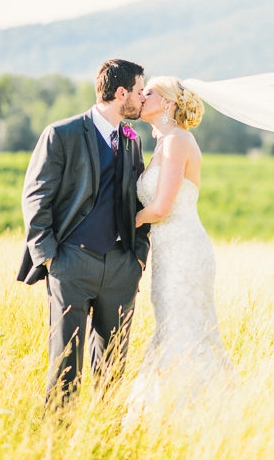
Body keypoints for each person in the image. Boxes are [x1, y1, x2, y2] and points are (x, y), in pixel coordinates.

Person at [17, 59, 151, 407]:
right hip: (71, 263)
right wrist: (49, 258)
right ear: (121, 93)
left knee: (113, 367)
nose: (142, 97)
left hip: (121, 268)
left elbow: (139, 201)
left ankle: (104, 442)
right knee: (65, 365)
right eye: (139, 91)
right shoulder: (62, 134)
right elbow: (35, 197)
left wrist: (137, 257)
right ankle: (57, 447)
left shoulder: (132, 141)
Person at [124, 76, 234, 421]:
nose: (141, 96)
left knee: (185, 327)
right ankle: (171, 412)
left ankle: (196, 415)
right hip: (169, 250)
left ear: (169, 102)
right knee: (171, 325)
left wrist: (119, 226)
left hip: (184, 249)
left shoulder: (177, 142)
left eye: (149, 92)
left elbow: (160, 208)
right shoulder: (163, 143)